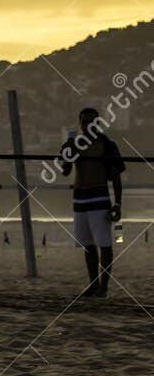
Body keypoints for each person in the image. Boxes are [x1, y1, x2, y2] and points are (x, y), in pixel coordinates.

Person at [58, 106, 126, 299]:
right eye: (84, 121)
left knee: (104, 244)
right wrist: (68, 152)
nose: (88, 125)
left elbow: (116, 177)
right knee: (87, 245)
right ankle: (93, 285)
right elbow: (65, 171)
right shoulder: (75, 144)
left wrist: (118, 203)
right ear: (80, 124)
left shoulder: (107, 144)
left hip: (99, 198)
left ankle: (103, 287)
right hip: (80, 199)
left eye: (91, 121)